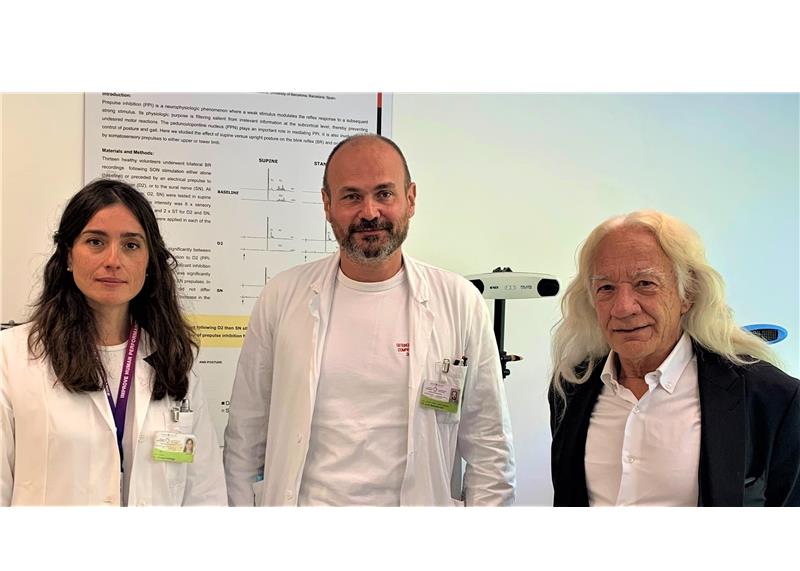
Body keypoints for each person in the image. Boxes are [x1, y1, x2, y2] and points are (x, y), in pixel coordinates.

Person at [224, 134, 515, 506]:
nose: (370, 212)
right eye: (351, 196)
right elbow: (245, 436)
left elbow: (490, 447)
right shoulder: (282, 296)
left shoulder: (460, 301)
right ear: (327, 204)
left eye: (384, 193)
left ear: (410, 199)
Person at [549, 210, 799, 506]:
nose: (623, 307)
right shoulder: (571, 387)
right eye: (606, 288)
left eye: (645, 283)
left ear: (687, 293)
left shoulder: (770, 397)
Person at [0, 179, 226, 506]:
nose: (113, 260)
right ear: (68, 255)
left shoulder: (173, 359)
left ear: (149, 262)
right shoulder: (11, 357)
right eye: (95, 242)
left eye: (131, 245)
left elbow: (204, 495)